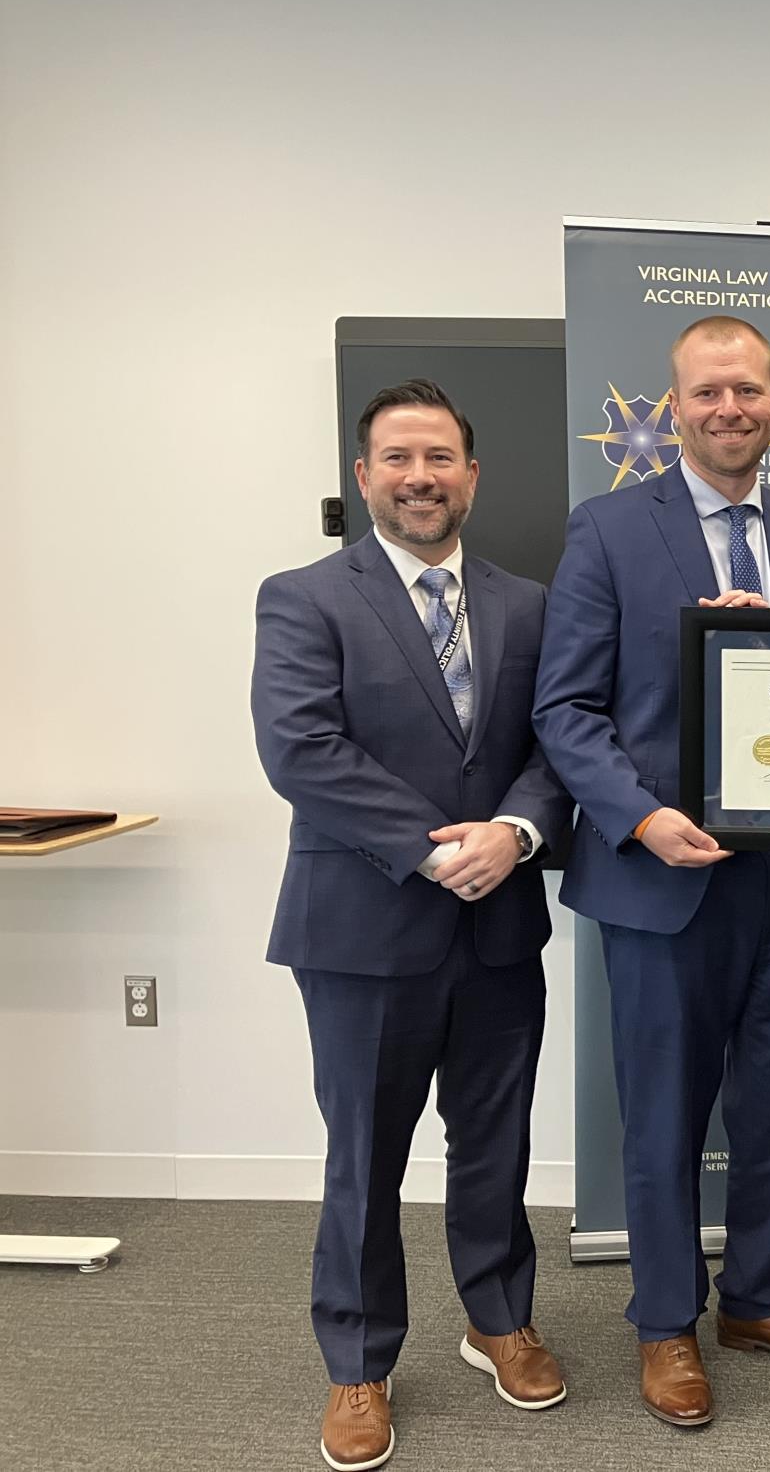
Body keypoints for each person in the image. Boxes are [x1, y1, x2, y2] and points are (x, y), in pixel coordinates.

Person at [533, 315, 770, 1431]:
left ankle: (761, 1301)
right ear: (673, 406)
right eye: (708, 393)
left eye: (750, 391)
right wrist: (640, 816)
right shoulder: (608, 528)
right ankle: (666, 1323)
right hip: (659, 878)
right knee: (664, 1117)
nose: (731, 409)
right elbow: (566, 711)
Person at [252, 379, 573, 1472]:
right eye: (398, 459)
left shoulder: (530, 604)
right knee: (365, 1160)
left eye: (439, 458)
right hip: (361, 932)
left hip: (498, 928)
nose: (420, 477)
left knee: (494, 1146)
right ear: (364, 477)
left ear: (473, 476)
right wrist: (446, 846)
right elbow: (301, 750)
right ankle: (358, 1365)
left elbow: (557, 745)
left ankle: (497, 1321)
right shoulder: (302, 598)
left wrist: (519, 832)